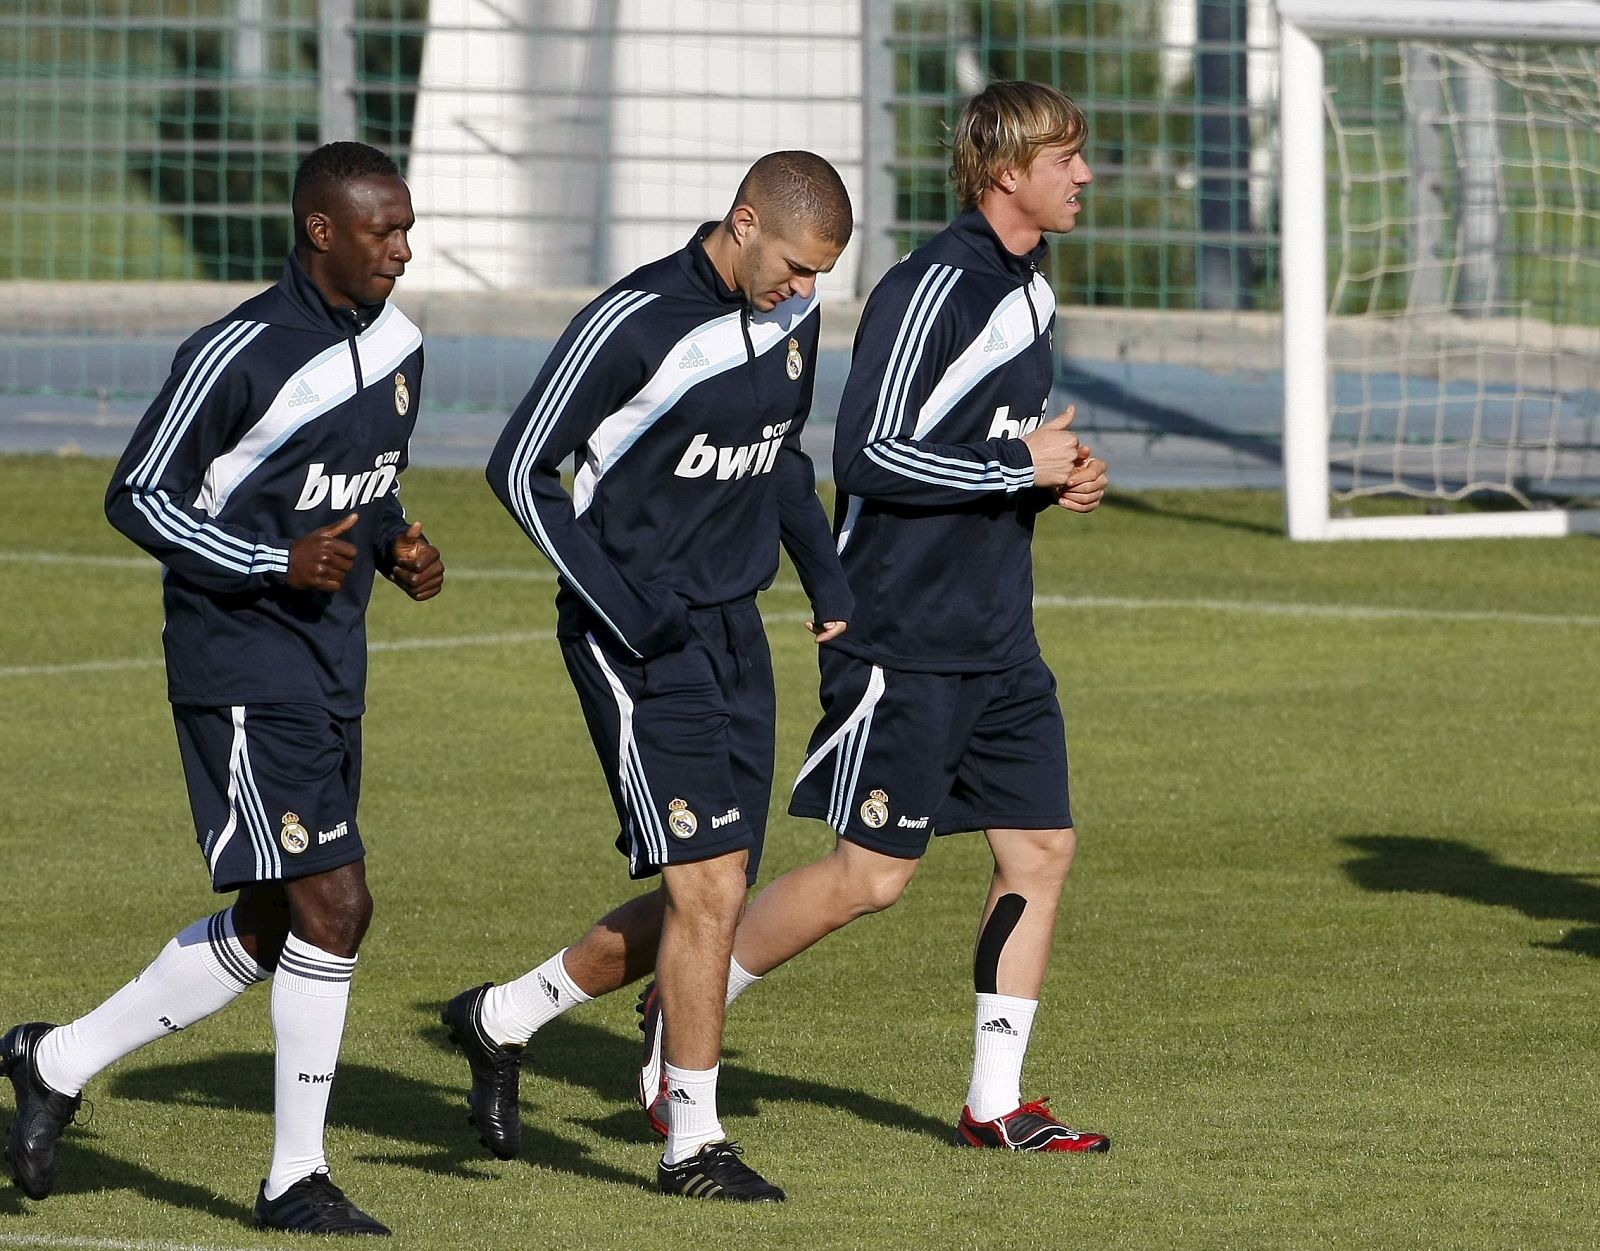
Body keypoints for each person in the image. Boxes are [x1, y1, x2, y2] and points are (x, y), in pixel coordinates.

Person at [642, 80, 1113, 1154]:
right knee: (871, 878)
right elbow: (868, 454)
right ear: (1007, 173)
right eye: (1065, 158)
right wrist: (1014, 463)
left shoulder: (1029, 286)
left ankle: (995, 1104)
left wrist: (1058, 473)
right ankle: (683, 1008)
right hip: (905, 632)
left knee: (1039, 846)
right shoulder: (928, 287)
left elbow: (992, 442)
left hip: (997, 628)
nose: (1084, 176)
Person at [1, 141, 440, 1235]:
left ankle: (55, 1061)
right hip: (239, 665)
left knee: (270, 914)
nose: (402, 247)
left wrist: (397, 547)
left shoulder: (401, 342)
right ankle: (295, 1177)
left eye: (407, 225)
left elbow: (363, 482)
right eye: (382, 230)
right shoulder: (235, 351)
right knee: (338, 904)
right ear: (320, 231)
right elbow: (137, 493)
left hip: (336, 660)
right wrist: (267, 564)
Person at [445, 150, 854, 1203]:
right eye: (796, 265)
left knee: (710, 887)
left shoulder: (791, 316)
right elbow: (518, 467)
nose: (804, 291)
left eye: (820, 276)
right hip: (634, 641)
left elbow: (783, 462)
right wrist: (626, 613)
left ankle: (501, 1019)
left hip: (733, 634)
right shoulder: (631, 321)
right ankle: (693, 1146)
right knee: (708, 883)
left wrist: (835, 591)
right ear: (745, 219)